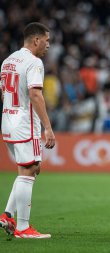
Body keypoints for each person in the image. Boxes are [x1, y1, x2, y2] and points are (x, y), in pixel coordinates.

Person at [0, 22, 56, 239]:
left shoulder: (8, 60)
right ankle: (23, 228)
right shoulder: (34, 62)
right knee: (29, 170)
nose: (48, 45)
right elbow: (35, 95)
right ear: (36, 40)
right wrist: (48, 128)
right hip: (25, 124)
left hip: (8, 121)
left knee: (30, 169)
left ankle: (7, 215)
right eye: (47, 40)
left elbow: (3, 91)